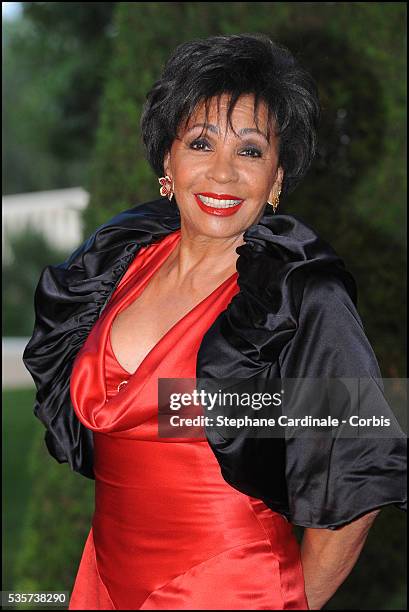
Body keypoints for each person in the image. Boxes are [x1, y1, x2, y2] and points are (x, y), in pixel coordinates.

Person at [23, 33, 406, 611]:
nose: (223, 173)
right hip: (103, 580)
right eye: (201, 142)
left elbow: (361, 466)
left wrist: (292, 601)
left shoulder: (300, 296)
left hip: (231, 593)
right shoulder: (116, 262)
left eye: (250, 150)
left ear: (276, 177)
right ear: (167, 163)